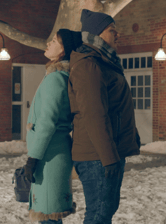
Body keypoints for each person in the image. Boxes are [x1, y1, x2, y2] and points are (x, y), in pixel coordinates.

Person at [68, 9, 141, 224]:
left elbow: (117, 107)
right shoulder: (88, 64)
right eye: (112, 30)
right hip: (96, 156)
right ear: (97, 34)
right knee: (98, 215)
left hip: (106, 153)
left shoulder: (104, 62)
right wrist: (108, 157)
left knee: (104, 212)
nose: (117, 34)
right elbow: (94, 115)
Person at [23, 29, 82, 224]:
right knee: (49, 216)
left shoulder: (55, 79)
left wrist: (33, 158)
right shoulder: (59, 77)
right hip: (52, 155)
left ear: (64, 51)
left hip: (49, 158)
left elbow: (47, 123)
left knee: (49, 217)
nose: (48, 43)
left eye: (55, 41)